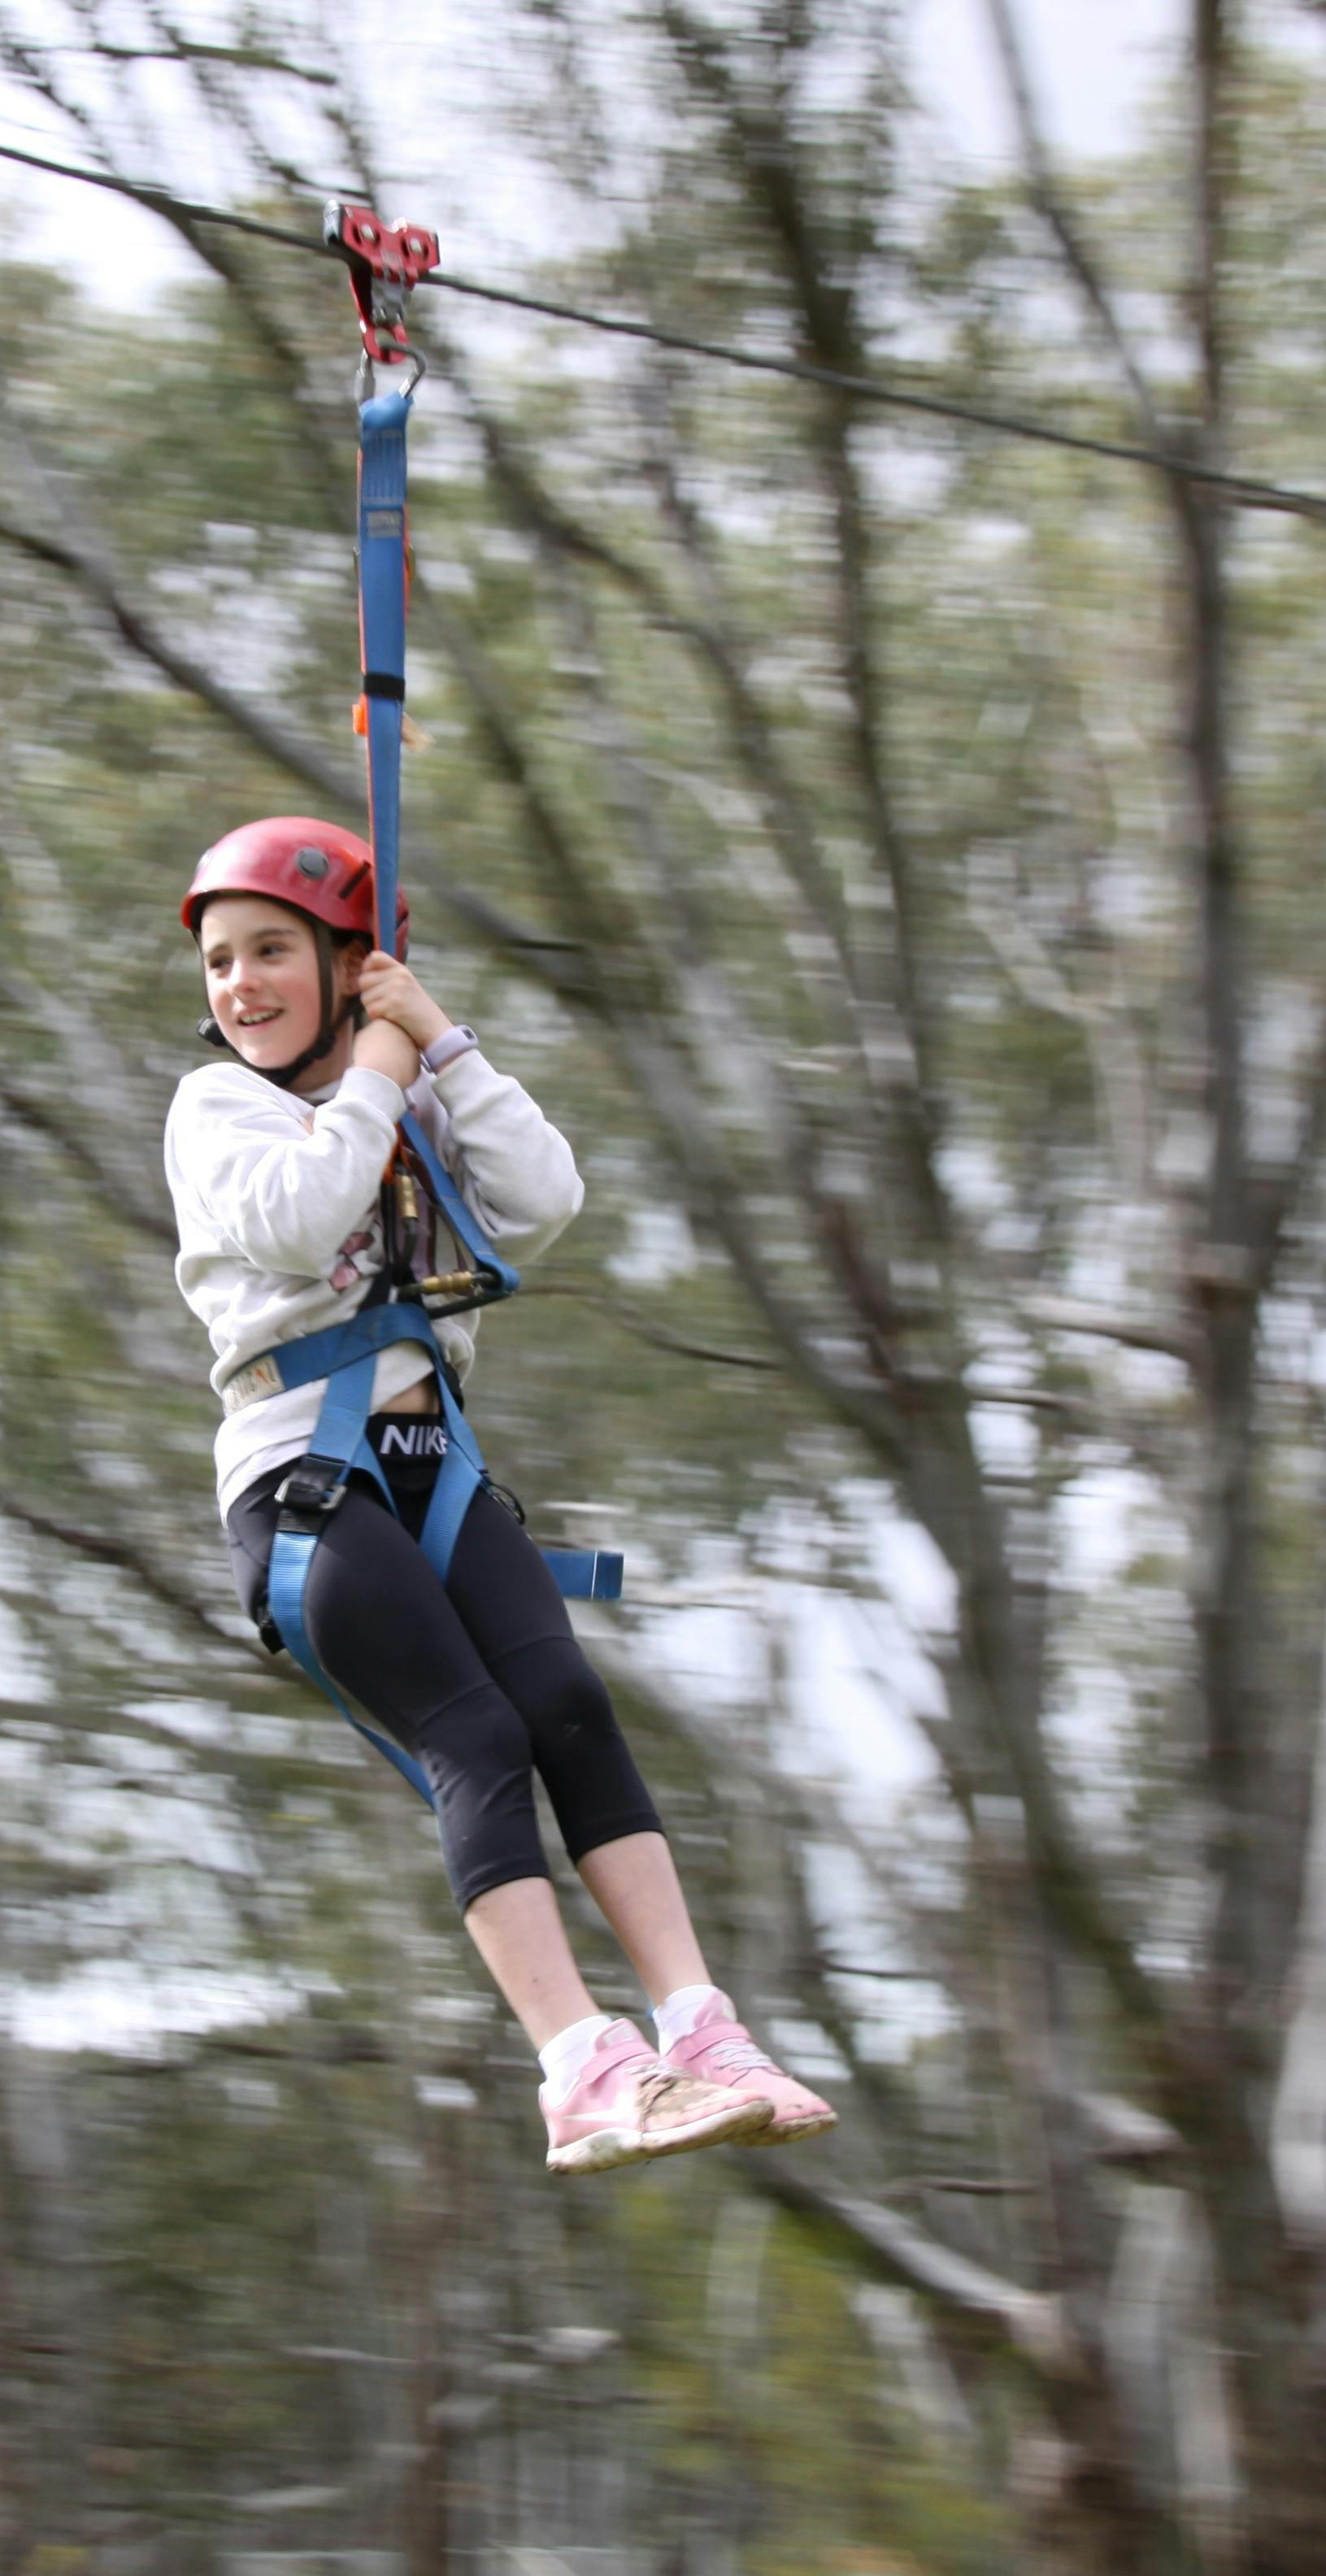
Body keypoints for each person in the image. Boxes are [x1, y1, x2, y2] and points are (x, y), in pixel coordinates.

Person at [161, 815, 838, 2176]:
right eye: (222, 960)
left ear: (352, 965)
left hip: (433, 1460)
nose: (239, 984)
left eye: (273, 952)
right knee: (476, 1734)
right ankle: (581, 2068)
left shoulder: (401, 1085)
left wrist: (441, 1045)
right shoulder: (218, 1109)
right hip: (307, 1481)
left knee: (572, 1707)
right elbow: (302, 1217)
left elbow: (541, 1202)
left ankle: (698, 2026)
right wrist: (378, 1074)